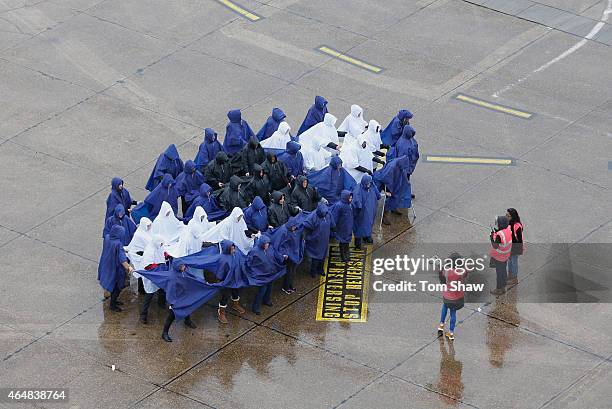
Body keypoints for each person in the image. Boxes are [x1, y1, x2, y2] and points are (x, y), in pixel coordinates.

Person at [247, 235, 287, 314]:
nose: (267, 245)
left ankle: (267, 300)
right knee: (262, 291)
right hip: (262, 275)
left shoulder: (270, 249)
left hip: (270, 273)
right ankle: (256, 307)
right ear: (262, 244)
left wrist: (282, 257)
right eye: (265, 244)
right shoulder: (254, 251)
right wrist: (254, 271)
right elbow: (249, 262)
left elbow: (275, 256)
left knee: (270, 288)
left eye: (268, 244)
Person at [98, 225, 134, 312]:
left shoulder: (107, 237)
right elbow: (122, 259)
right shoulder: (118, 244)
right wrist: (129, 268)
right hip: (115, 268)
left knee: (112, 284)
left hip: (107, 265)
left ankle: (114, 301)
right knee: (117, 287)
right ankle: (113, 305)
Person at [134, 235, 168, 323]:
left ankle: (161, 304)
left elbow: (163, 252)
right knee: (149, 294)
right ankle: (143, 315)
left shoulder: (158, 246)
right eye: (160, 243)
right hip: (151, 276)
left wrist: (167, 255)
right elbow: (147, 265)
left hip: (158, 274)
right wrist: (159, 266)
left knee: (162, 289)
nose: (161, 245)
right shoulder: (149, 251)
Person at [437, 253, 469, 341]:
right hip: (457, 297)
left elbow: (441, 274)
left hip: (447, 296)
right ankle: (451, 333)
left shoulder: (447, 271)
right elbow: (466, 273)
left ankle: (441, 325)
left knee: (444, 307)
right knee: (453, 313)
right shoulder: (461, 272)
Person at [373, 156, 412, 225]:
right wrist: (388, 191)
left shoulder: (399, 165)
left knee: (397, 192)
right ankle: (385, 215)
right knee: (392, 196)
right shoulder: (392, 167)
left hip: (387, 179)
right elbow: (385, 178)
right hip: (380, 180)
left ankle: (393, 207)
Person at [215, 240, 247, 323]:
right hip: (226, 282)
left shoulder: (236, 254)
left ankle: (235, 305)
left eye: (234, 248)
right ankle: (221, 312)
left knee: (236, 293)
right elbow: (220, 274)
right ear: (227, 249)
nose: (234, 250)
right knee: (225, 296)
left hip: (235, 279)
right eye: (232, 249)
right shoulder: (223, 259)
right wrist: (222, 280)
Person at [271, 216, 304, 294]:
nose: (295, 227)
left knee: (292, 271)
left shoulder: (290, 230)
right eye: (294, 226)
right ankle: (286, 287)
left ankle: (289, 285)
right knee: (289, 272)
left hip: (293, 254)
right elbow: (279, 244)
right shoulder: (285, 232)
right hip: (289, 256)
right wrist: (283, 254)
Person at [303, 203, 335, 277]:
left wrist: (334, 228)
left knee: (323, 256)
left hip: (324, 240)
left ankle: (320, 269)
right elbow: (306, 227)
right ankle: (313, 272)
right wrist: (306, 238)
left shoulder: (327, 214)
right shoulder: (313, 217)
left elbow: (332, 223)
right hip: (315, 241)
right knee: (315, 258)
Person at [352, 175, 381, 249]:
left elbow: (378, 195)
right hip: (362, 213)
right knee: (359, 227)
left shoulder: (372, 185)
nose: (369, 185)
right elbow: (356, 202)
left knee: (369, 224)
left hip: (371, 211)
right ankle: (358, 243)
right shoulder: (358, 190)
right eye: (368, 183)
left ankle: (367, 236)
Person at [489, 216, 512, 295]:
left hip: (499, 257)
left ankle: (499, 289)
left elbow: (495, 245)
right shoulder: (508, 229)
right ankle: (504, 284)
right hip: (506, 255)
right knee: (503, 270)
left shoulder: (499, 235)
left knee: (499, 273)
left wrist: (492, 236)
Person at [331, 190, 354, 262]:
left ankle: (346, 253)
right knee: (343, 241)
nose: (351, 199)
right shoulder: (339, 206)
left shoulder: (349, 204)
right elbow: (335, 217)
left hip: (348, 226)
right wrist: (334, 226)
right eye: (349, 198)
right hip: (342, 227)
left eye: (351, 198)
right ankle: (343, 255)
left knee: (346, 241)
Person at [506, 208, 523, 286]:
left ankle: (514, 278)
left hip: (515, 247)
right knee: (509, 262)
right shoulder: (508, 223)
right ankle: (510, 275)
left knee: (514, 262)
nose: (506, 217)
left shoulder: (517, 226)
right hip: (508, 246)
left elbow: (519, 240)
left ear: (513, 217)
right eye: (506, 215)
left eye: (508, 216)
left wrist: (518, 250)